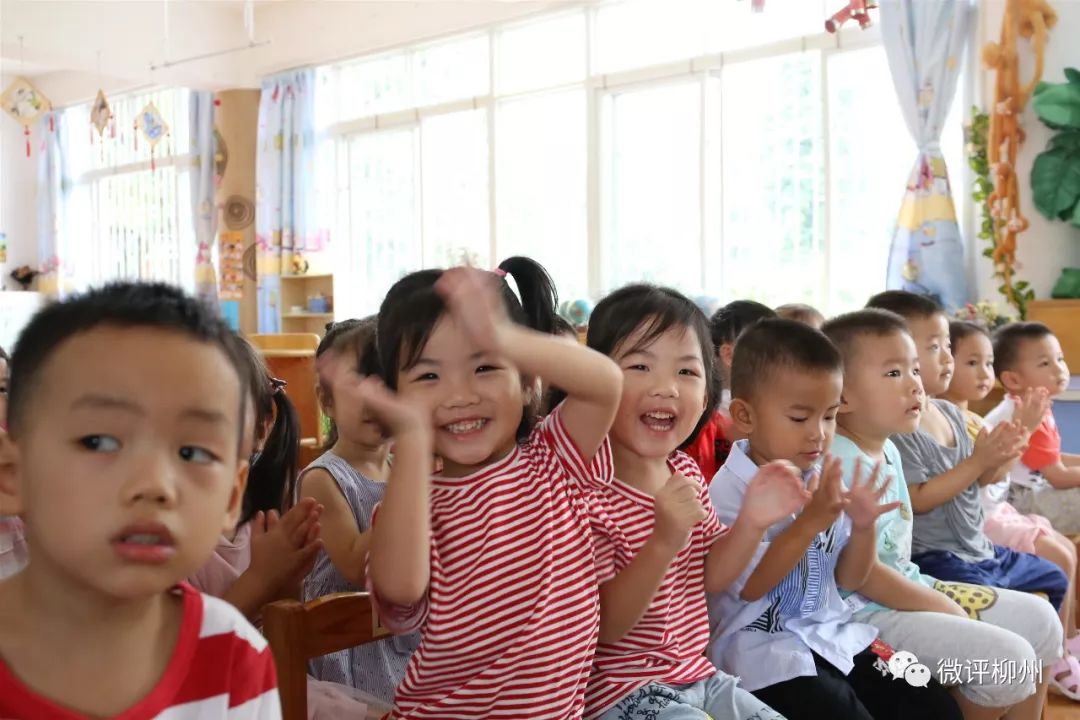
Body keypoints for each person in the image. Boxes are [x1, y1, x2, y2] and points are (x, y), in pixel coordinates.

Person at [329, 257, 624, 718]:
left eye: (484, 367)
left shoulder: (555, 458)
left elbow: (606, 383)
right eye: (428, 375)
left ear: (527, 383)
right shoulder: (412, 505)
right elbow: (401, 591)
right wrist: (411, 438)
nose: (460, 395)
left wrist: (504, 337)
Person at [0, 282, 280, 718]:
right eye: (99, 441)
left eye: (193, 452)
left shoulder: (235, 655)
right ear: (12, 474)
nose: (154, 485)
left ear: (231, 496)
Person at [708, 318, 961, 720]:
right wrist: (809, 522)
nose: (819, 434)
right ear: (745, 415)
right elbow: (750, 589)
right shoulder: (729, 490)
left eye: (828, 417)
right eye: (799, 418)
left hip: (835, 632)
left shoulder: (823, 472)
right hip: (763, 652)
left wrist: (862, 526)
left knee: (932, 704)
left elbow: (851, 577)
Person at [824, 309, 1061, 719]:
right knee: (1007, 663)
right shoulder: (842, 464)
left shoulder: (887, 446)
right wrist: (940, 604)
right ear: (842, 397)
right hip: (861, 614)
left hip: (908, 587)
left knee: (1041, 621)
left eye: (915, 369)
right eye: (894, 373)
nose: (915, 384)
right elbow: (860, 574)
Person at [581, 284, 794, 720]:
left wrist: (751, 522)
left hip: (697, 673)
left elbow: (712, 575)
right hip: (620, 691)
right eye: (640, 365)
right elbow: (604, 627)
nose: (667, 388)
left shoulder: (685, 471)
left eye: (686, 371)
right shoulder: (588, 488)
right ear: (593, 381)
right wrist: (663, 540)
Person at [300, 317, 419, 705]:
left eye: (387, 386)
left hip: (403, 639)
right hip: (347, 648)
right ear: (327, 401)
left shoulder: (403, 469)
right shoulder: (323, 477)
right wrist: (412, 485)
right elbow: (355, 565)